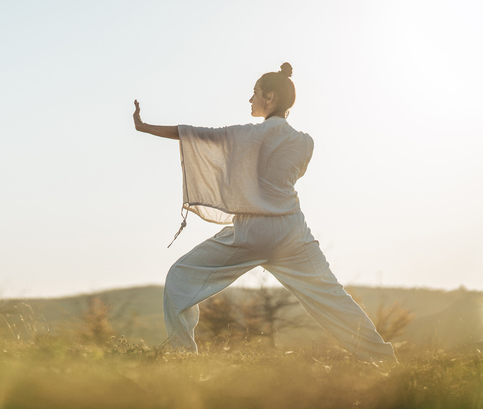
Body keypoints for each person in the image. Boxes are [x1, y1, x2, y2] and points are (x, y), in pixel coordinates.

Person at [133, 63, 396, 363]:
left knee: (180, 277)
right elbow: (292, 176)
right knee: (332, 298)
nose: (250, 99)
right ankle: (384, 360)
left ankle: (181, 357)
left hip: (251, 233)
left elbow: (194, 136)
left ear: (269, 97)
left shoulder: (246, 136)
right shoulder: (305, 143)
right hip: (291, 232)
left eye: (255, 93)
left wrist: (144, 127)